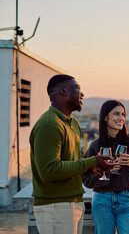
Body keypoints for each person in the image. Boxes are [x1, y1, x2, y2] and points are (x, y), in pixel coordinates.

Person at [30, 74, 114, 234]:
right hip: (55, 206)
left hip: (73, 202)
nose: (82, 94)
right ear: (62, 91)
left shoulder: (72, 123)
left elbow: (72, 161)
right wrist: (90, 162)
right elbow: (49, 171)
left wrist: (91, 168)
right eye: (77, 88)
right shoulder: (49, 124)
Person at [82, 100, 129, 234]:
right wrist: (107, 173)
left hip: (126, 199)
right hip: (102, 200)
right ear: (105, 117)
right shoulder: (96, 145)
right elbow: (86, 178)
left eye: (123, 114)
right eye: (116, 114)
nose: (121, 118)